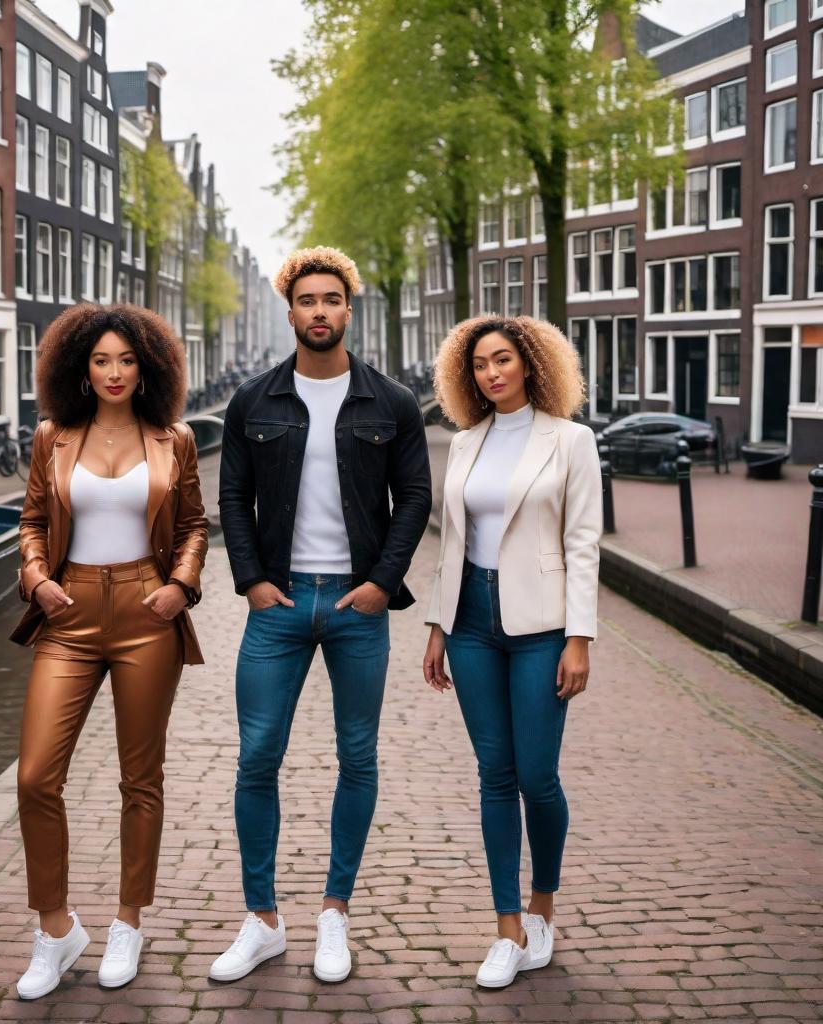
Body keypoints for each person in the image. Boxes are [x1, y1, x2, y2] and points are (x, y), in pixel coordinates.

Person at [212, 246, 432, 984]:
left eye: (331, 299)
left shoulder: (392, 403)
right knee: (256, 756)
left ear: (348, 307)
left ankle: (334, 912)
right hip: (276, 602)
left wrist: (380, 584)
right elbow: (232, 502)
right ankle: (262, 920)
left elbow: (416, 503)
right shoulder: (253, 401)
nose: (319, 311)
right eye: (306, 300)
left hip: (355, 603)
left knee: (357, 756)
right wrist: (251, 582)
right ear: (290, 311)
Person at [9, 303, 208, 999]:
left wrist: (181, 585)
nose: (115, 372)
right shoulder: (53, 437)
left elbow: (192, 525)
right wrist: (35, 578)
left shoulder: (173, 439)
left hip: (147, 613)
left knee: (139, 778)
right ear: (79, 369)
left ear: (147, 367)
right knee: (35, 776)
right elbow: (33, 521)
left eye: (127, 360)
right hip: (68, 614)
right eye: (101, 361)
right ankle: (56, 930)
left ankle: (128, 921)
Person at [422, 315, 601, 989]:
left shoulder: (572, 442)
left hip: (542, 627)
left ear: (529, 363)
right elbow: (452, 544)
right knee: (494, 774)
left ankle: (543, 906)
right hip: (470, 621)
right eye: (479, 366)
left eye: (502, 360)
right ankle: (506, 929)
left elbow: (584, 543)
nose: (491, 373)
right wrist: (438, 626)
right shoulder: (466, 443)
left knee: (537, 777)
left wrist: (579, 637)